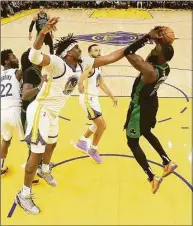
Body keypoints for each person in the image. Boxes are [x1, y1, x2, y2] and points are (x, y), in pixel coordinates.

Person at [15, 17, 125, 214]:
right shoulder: (57, 63)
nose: (80, 50)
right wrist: (42, 33)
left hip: (53, 114)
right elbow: (34, 57)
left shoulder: (81, 66)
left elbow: (110, 57)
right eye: (76, 48)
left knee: (52, 144)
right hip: (41, 110)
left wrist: (132, 47)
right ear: (68, 52)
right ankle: (23, 195)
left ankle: (45, 169)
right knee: (36, 154)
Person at [123, 26, 178, 194]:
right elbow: (153, 55)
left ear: (161, 56)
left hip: (139, 108)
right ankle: (166, 161)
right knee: (146, 131)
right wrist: (158, 39)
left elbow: (128, 52)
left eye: (157, 48)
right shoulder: (164, 67)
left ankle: (152, 177)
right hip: (152, 104)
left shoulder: (149, 70)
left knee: (132, 142)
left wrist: (147, 36)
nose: (154, 47)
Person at [76, 44, 118, 163]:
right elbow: (85, 73)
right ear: (90, 53)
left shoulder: (98, 67)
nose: (98, 52)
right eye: (95, 50)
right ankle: (93, 150)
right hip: (87, 100)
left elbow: (101, 84)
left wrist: (112, 97)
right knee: (102, 125)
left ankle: (82, 141)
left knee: (96, 124)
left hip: (94, 99)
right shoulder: (91, 66)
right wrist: (80, 84)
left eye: (99, 50)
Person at [20, 49, 54, 185]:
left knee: (41, 142)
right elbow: (25, 95)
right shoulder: (30, 72)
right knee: (34, 146)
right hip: (29, 113)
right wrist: (41, 86)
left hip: (38, 112)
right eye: (41, 55)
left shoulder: (38, 71)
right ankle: (31, 174)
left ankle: (39, 165)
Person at [1, 49, 24, 175]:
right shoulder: (17, 72)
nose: (17, 59)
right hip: (15, 110)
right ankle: (35, 169)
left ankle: (0, 166)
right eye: (14, 57)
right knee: (31, 140)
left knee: (6, 140)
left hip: (2, 113)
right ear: (6, 61)